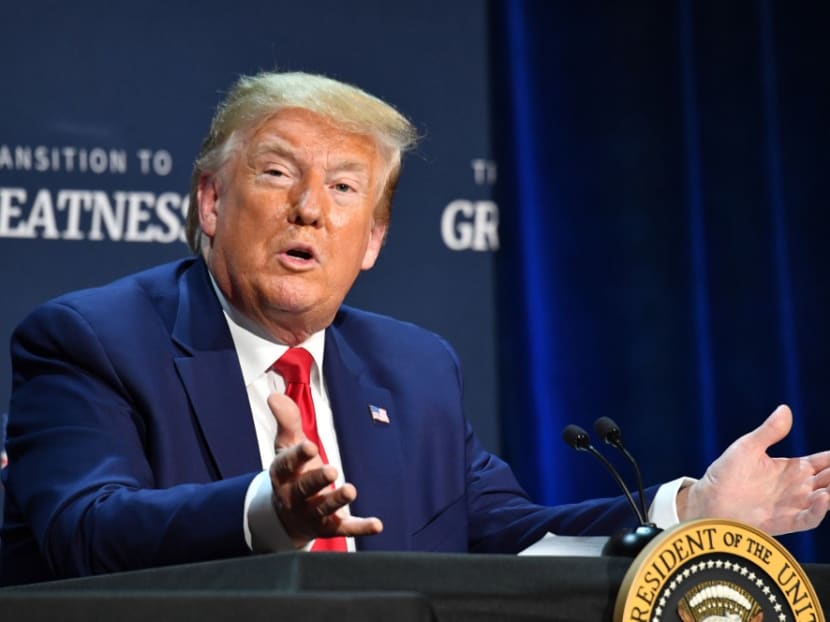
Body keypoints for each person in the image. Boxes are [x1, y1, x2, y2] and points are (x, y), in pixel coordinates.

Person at [1, 71, 828, 586]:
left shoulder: (413, 368)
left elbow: (511, 543)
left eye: (347, 189)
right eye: (278, 172)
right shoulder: (91, 340)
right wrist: (267, 512)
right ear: (211, 203)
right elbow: (86, 531)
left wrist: (687, 513)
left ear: (375, 241)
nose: (310, 209)